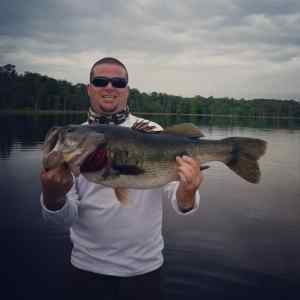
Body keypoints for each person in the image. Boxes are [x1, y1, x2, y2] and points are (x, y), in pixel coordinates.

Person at [40, 57, 204, 299]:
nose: (109, 87)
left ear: (126, 90)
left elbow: (180, 202)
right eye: (100, 81)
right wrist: (52, 196)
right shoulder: (74, 143)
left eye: (118, 82)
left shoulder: (154, 131)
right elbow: (61, 222)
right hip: (87, 268)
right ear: (89, 89)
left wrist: (188, 192)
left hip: (145, 270)